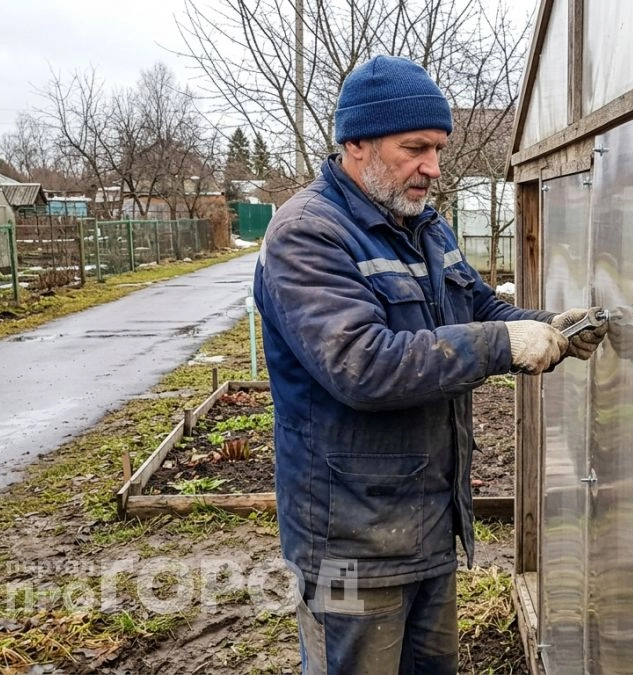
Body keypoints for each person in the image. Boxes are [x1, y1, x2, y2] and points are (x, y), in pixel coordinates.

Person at [252, 54, 608, 674]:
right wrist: (501, 344)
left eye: (438, 149)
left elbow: (477, 302)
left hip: (426, 522)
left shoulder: (424, 227)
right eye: (415, 148)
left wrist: (547, 324)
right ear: (355, 143)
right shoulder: (308, 235)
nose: (433, 168)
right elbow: (361, 365)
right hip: (349, 541)